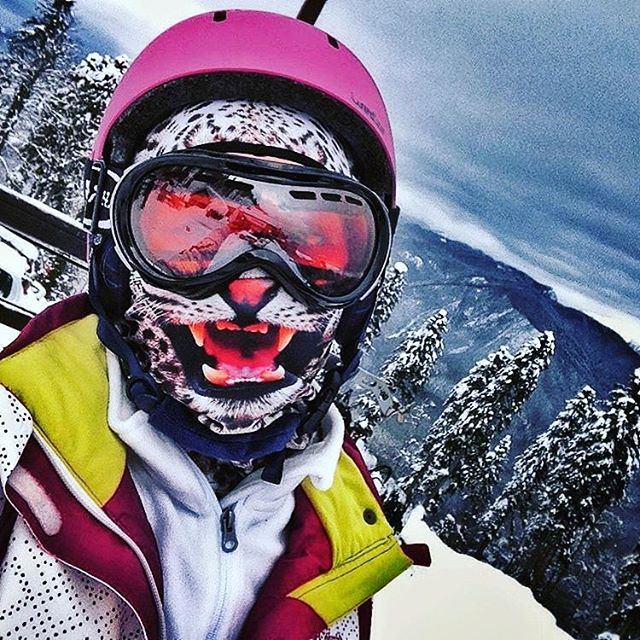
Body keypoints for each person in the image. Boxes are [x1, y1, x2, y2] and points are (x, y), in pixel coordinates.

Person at [0, 8, 428, 640]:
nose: (250, 287)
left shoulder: (344, 538)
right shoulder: (14, 441)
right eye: (191, 226)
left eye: (313, 244)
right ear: (115, 242)